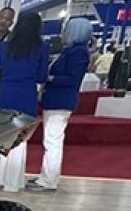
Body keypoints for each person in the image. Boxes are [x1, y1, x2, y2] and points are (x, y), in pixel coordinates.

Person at [0, 10, 47, 193]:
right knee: (19, 139)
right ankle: (11, 183)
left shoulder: (4, 47)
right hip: (27, 97)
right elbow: (42, 76)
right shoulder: (41, 48)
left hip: (4, 95)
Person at [29, 18, 92, 193]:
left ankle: (48, 180)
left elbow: (73, 79)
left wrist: (50, 78)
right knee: (51, 140)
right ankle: (47, 177)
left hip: (60, 101)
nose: (63, 34)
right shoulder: (71, 51)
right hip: (56, 100)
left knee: (53, 141)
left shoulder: (78, 53)